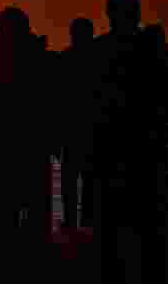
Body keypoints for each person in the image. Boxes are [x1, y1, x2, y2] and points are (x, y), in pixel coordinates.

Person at [90, 0, 168, 284]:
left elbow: (90, 99)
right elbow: (167, 90)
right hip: (145, 143)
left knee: (111, 221)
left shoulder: (100, 50)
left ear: (110, 15)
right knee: (148, 220)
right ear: (136, 14)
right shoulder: (152, 49)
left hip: (112, 143)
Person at [0, 8, 55, 245]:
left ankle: (8, 242)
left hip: (6, 134)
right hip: (28, 134)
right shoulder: (37, 50)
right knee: (31, 197)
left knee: (5, 198)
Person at [59, 17, 98, 231]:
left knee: (71, 179)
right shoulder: (98, 58)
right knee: (88, 178)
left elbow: (58, 97)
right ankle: (86, 220)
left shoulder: (66, 58)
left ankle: (72, 221)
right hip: (88, 126)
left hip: (73, 127)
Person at [142, 23, 168, 227]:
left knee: (149, 166)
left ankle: (154, 207)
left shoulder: (141, 62)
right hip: (162, 120)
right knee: (161, 165)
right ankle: (164, 207)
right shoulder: (167, 59)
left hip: (147, 120)